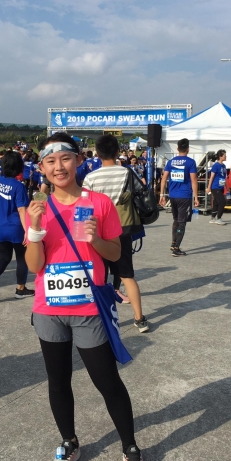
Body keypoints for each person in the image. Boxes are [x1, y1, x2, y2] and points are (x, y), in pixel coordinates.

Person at [25, 133, 149, 461]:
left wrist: (95, 240)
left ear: (79, 160)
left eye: (65, 158)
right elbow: (34, 266)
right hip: (49, 309)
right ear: (42, 168)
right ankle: (69, 442)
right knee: (58, 380)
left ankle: (130, 447)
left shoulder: (99, 203)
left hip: (88, 308)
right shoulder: (38, 207)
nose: (58, 167)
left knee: (106, 380)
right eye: (50, 161)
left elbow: (115, 254)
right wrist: (35, 229)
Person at [83, 135, 149, 333]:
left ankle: (100, 319)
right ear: (118, 152)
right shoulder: (127, 172)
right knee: (127, 275)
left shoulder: (91, 177)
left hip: (97, 233)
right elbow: (142, 191)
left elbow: (84, 204)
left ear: (97, 153)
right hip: (122, 228)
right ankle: (139, 319)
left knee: (99, 277)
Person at [0, 152, 33, 302]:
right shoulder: (18, 186)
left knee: (4, 256)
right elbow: (22, 209)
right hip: (15, 226)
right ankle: (20, 289)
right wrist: (27, 230)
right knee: (22, 257)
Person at [159, 138, 199, 256]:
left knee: (176, 220)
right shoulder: (191, 162)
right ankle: (176, 248)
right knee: (182, 222)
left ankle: (173, 243)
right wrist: (196, 197)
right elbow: (194, 180)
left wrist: (162, 195)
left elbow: (163, 179)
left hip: (173, 196)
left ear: (177, 149)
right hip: (184, 196)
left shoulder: (171, 162)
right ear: (188, 149)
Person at [207, 150, 227, 226]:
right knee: (222, 202)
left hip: (221, 187)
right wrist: (209, 187)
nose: (226, 156)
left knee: (216, 202)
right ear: (220, 157)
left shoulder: (224, 166)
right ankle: (219, 218)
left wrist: (227, 187)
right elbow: (211, 177)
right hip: (215, 187)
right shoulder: (216, 166)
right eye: (224, 155)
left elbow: (224, 177)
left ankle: (213, 218)